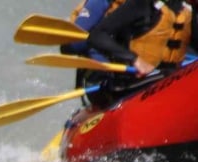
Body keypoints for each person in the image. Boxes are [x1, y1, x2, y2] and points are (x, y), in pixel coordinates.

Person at [64, 0, 193, 102]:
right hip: (126, 83)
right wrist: (134, 59)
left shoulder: (186, 10)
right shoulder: (142, 4)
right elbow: (93, 37)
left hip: (164, 80)